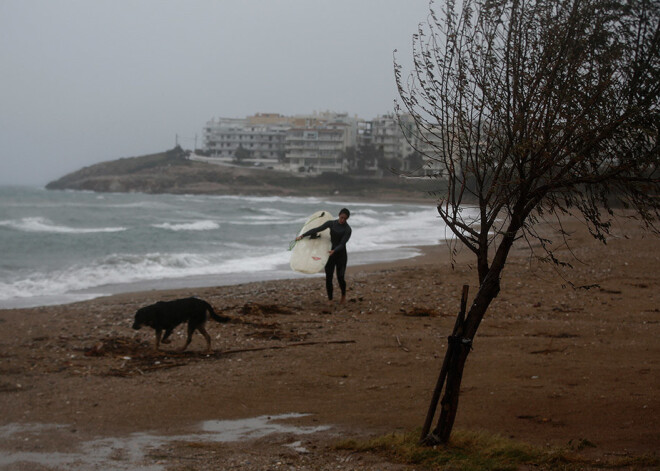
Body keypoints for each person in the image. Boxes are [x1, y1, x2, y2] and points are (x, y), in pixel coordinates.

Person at [296, 208, 352, 303]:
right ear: (339, 215)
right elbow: (317, 229)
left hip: (340, 255)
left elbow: (342, 244)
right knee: (328, 277)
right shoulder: (331, 223)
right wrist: (303, 235)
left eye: (345, 219)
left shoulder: (347, 229)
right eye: (342, 217)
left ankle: (343, 295)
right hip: (330, 254)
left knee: (340, 277)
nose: (342, 220)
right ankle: (330, 299)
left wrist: (335, 250)